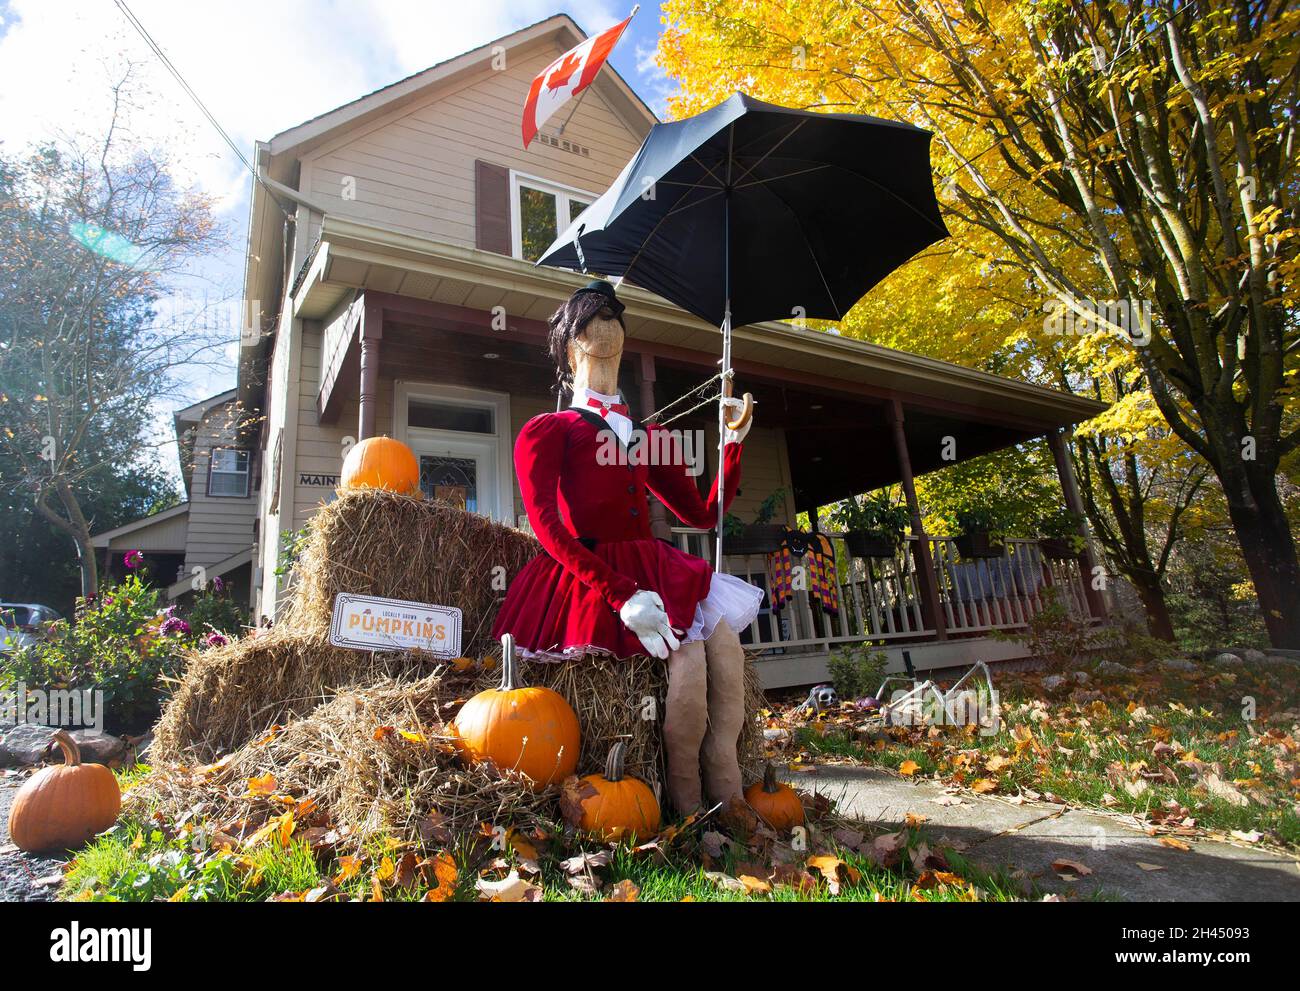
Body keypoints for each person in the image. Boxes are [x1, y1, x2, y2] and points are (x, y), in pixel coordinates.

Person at [493, 280, 762, 813]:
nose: (609, 328)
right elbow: (546, 524)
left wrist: (731, 444)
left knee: (723, 649)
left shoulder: (646, 434)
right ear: (572, 350)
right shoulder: (549, 429)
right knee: (685, 665)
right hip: (589, 572)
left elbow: (701, 513)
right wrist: (620, 594)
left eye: (616, 320)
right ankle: (687, 810)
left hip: (654, 563)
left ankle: (728, 794)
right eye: (594, 322)